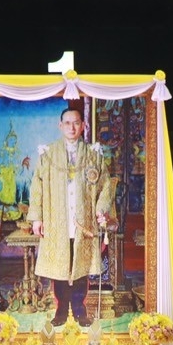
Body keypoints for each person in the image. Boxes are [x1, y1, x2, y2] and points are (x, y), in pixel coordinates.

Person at [28, 105, 114, 326]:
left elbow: (105, 186)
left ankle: (79, 310)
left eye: (76, 123)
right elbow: (36, 187)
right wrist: (37, 218)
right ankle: (60, 311)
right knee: (60, 268)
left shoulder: (93, 155)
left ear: (83, 126)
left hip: (83, 222)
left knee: (80, 268)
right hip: (56, 221)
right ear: (60, 125)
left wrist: (101, 211)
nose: (72, 127)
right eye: (67, 123)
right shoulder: (48, 154)